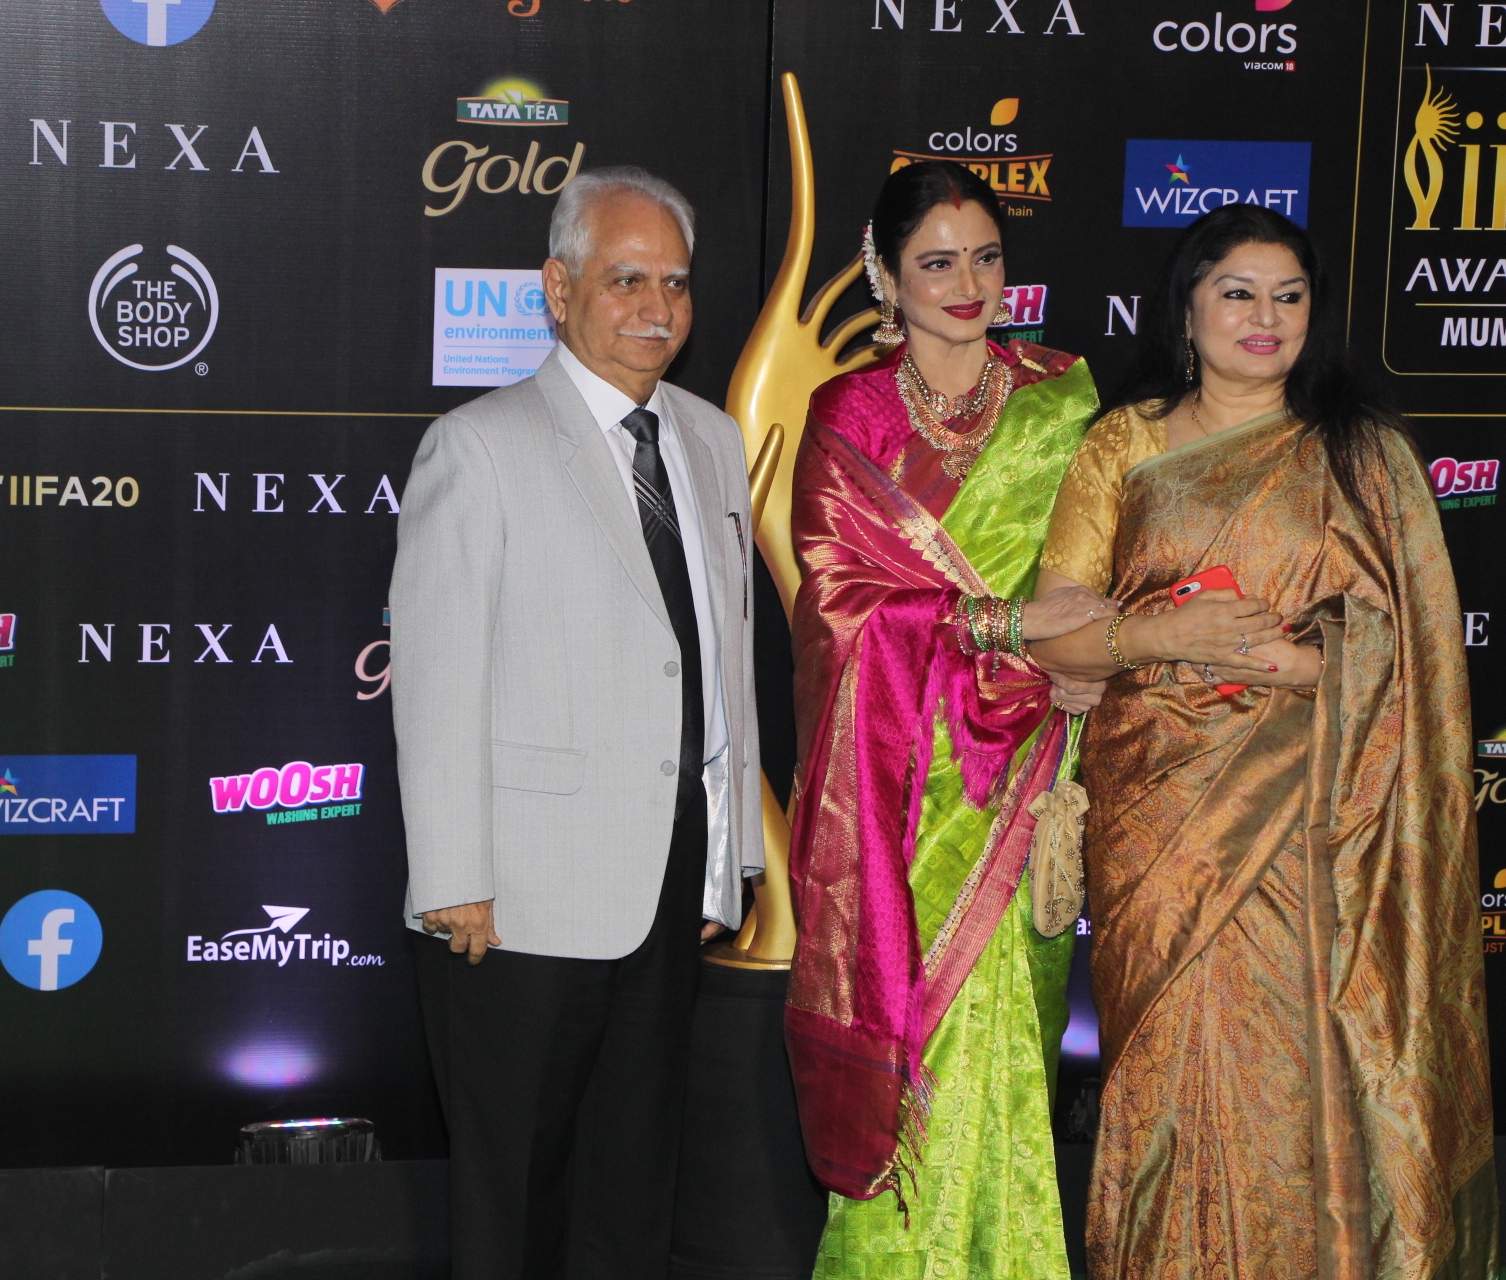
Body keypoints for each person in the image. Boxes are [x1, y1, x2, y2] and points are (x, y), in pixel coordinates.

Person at [1028, 202, 1498, 1279]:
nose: (1265, 315)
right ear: (1188, 307)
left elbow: (1418, 650)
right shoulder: (1125, 442)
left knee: (1306, 1069)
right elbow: (1058, 636)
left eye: (1288, 295)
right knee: (1172, 1066)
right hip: (1164, 819)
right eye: (1237, 290)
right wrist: (1169, 631)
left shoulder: (1361, 454)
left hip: (1318, 828)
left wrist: (1296, 664)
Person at [389, 166, 764, 1280]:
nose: (658, 307)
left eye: (678, 283)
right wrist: (453, 872)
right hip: (515, 899)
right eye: (626, 278)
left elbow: (722, 657)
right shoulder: (481, 445)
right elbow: (438, 674)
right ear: (559, 290)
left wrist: (728, 857)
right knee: (512, 1197)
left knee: (632, 1191)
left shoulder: (711, 441)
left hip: (667, 887)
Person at [784, 159, 1117, 1279]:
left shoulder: (1062, 400)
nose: (967, 283)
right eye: (937, 261)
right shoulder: (848, 417)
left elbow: (1105, 575)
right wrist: (1006, 623)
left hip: (1027, 773)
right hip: (899, 788)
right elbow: (840, 612)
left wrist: (1088, 664)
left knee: (1012, 1040)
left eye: (987, 257)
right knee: (914, 1035)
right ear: (885, 272)